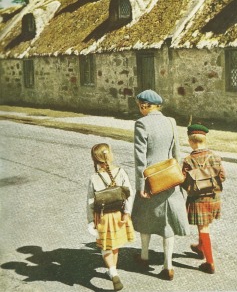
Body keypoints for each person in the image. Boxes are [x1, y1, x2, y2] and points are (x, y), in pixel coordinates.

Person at [131, 89, 190, 281]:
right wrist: (178, 177)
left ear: (145, 105)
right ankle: (168, 265)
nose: (140, 109)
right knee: (168, 222)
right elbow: (177, 153)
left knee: (146, 216)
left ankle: (144, 255)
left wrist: (141, 185)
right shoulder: (171, 122)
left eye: (140, 105)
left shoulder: (141, 123)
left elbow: (140, 159)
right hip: (170, 178)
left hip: (150, 180)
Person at [87, 143, 134, 291]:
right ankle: (113, 270)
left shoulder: (94, 177)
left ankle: (113, 272)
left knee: (106, 245)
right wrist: (127, 213)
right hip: (118, 214)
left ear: (95, 160)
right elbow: (129, 195)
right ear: (110, 155)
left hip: (102, 216)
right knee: (115, 244)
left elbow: (90, 202)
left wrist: (90, 221)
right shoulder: (121, 172)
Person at [182, 123, 226, 274]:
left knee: (203, 227)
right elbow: (222, 177)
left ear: (191, 141)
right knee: (204, 225)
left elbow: (184, 181)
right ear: (204, 139)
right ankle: (200, 247)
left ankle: (210, 263)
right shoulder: (215, 156)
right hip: (213, 197)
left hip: (197, 199)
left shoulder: (188, 160)